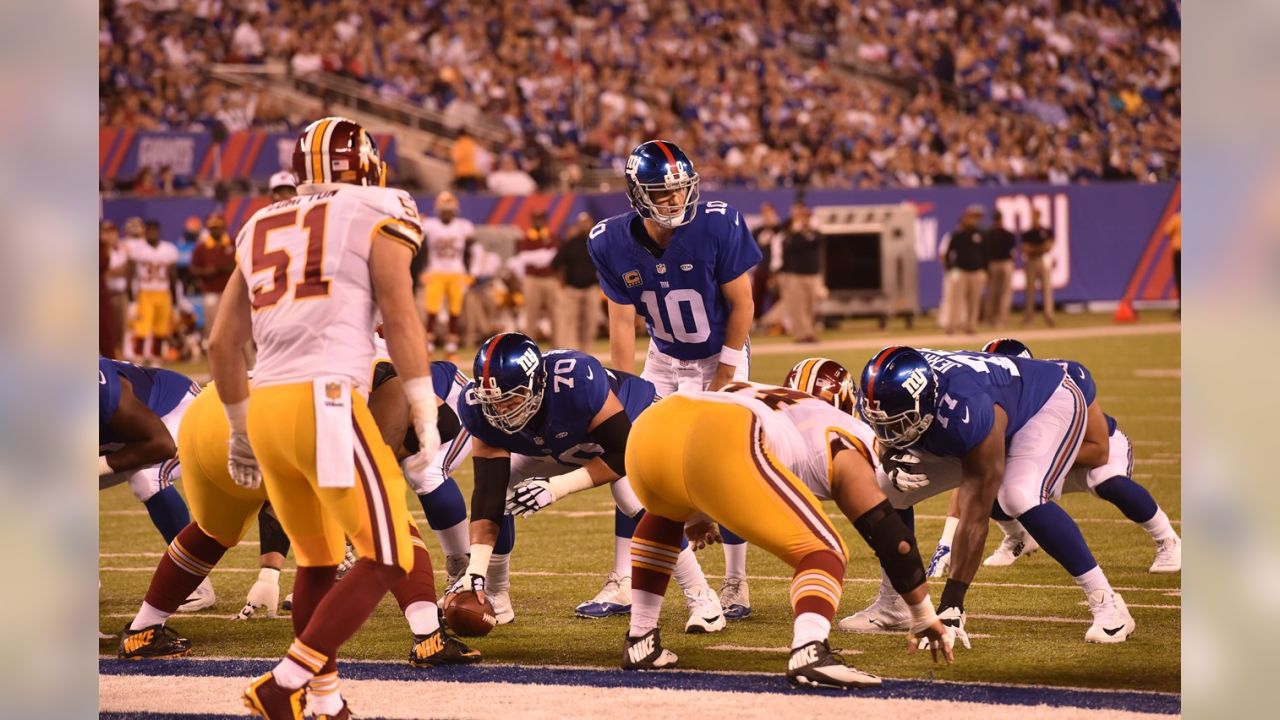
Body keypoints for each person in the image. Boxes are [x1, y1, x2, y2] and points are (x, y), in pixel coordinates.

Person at [207, 116, 442, 719]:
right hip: (328, 402)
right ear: (367, 168)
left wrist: (238, 430)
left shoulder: (259, 221)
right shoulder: (379, 205)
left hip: (267, 406)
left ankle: (325, 701)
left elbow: (221, 342)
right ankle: (282, 684)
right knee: (389, 553)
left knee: (314, 558)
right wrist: (423, 404)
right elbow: (399, 312)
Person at [117, 378, 480, 703]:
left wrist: (269, 572)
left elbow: (222, 344)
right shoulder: (379, 363)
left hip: (210, 414)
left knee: (212, 531)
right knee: (387, 529)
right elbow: (432, 417)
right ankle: (428, 636)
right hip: (295, 417)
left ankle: (142, 631)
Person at [620, 380, 954, 688]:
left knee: (663, 516)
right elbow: (890, 538)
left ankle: (641, 639)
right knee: (824, 550)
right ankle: (810, 649)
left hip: (652, 429)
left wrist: (697, 508)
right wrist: (923, 614)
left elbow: (691, 441)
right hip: (723, 434)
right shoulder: (850, 434)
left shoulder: (765, 396)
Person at [855, 346, 1136, 643]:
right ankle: (895, 603)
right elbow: (881, 433)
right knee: (886, 488)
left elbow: (975, 513)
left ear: (926, 404)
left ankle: (1108, 603)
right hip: (982, 406)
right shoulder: (886, 392)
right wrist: (887, 457)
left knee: (1018, 495)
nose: (890, 433)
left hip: (1048, 402)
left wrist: (952, 604)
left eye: (899, 424)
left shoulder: (967, 408)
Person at [588, 140, 762, 620]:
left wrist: (725, 375)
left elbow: (743, 305)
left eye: (681, 190)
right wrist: (622, 391)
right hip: (663, 358)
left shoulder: (717, 222)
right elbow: (621, 324)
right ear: (637, 194)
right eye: (663, 193)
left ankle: (736, 583)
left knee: (723, 461)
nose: (675, 201)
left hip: (718, 353)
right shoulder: (608, 241)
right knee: (631, 457)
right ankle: (623, 579)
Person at [451, 333, 725, 630]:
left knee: (632, 496)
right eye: (494, 401)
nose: (501, 411)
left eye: (510, 398)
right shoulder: (478, 409)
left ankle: (702, 598)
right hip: (563, 442)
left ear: (537, 384)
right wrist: (474, 569)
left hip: (634, 425)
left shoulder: (576, 381)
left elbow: (622, 451)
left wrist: (557, 488)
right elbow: (487, 494)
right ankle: (494, 593)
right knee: (502, 491)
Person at [99, 357, 215, 611]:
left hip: (176, 409)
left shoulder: (98, 384)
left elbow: (160, 445)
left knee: (147, 478)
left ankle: (193, 581)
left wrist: (98, 466)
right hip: (130, 433)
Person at [417, 191, 475, 359]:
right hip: (435, 271)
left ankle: (451, 348)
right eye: (444, 209)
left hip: (456, 272)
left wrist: (470, 273)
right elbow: (422, 249)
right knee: (432, 312)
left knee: (454, 313)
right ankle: (428, 346)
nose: (447, 212)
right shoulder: (430, 225)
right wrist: (423, 270)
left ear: (455, 210)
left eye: (449, 209)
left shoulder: (463, 226)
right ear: (438, 210)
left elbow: (471, 252)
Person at [125, 220, 180, 364]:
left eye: (154, 230)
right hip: (145, 293)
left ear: (159, 231)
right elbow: (129, 276)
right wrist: (131, 301)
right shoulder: (138, 250)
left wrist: (174, 302)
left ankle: (156, 360)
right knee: (141, 330)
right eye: (149, 231)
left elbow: (172, 276)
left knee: (161, 330)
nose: (152, 233)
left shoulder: (168, 249)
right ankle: (138, 360)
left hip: (163, 293)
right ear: (145, 232)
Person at [552, 212, 602, 351]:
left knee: (591, 322)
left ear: (591, 223)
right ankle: (571, 352)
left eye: (587, 222)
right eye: (583, 223)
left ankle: (586, 352)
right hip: (571, 290)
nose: (585, 225)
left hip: (591, 288)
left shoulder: (598, 243)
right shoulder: (570, 243)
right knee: (569, 322)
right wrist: (560, 283)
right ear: (579, 225)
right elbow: (556, 264)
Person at [510, 209, 560, 342]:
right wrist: (543, 256)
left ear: (545, 220)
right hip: (532, 280)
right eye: (536, 219)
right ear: (532, 221)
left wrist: (539, 258)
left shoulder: (553, 237)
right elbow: (524, 260)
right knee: (531, 314)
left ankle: (558, 347)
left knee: (555, 314)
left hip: (550, 279)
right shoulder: (524, 239)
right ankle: (530, 347)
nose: (538, 222)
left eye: (541, 219)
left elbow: (554, 259)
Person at [776, 201, 824, 343]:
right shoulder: (790, 232)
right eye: (802, 216)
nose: (805, 219)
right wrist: (796, 231)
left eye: (807, 216)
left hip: (813, 274)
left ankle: (809, 332)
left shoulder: (814, 233)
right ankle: (802, 334)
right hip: (796, 275)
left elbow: (818, 241)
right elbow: (790, 246)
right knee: (798, 306)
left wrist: (806, 231)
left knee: (811, 306)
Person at [188, 212, 236, 343]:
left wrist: (228, 268)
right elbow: (193, 269)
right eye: (213, 227)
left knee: (237, 327)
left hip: (232, 292)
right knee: (213, 328)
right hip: (211, 291)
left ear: (224, 226)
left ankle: (245, 361)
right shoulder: (201, 247)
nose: (215, 230)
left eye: (218, 226)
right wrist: (207, 271)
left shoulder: (233, 243)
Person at [941, 205, 987, 334]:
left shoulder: (979, 234)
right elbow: (947, 253)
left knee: (974, 301)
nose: (971, 221)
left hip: (976, 272)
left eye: (973, 218)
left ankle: (970, 326)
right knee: (956, 301)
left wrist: (984, 269)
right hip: (961, 271)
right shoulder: (957, 235)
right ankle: (951, 326)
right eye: (969, 218)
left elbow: (985, 253)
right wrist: (950, 269)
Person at [981, 209, 1016, 328]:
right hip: (1004, 263)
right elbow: (1013, 251)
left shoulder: (989, 234)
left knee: (992, 293)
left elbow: (985, 252)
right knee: (1002, 293)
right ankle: (1001, 320)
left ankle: (990, 319)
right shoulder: (1007, 234)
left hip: (993, 264)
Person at [1021, 210, 1055, 326]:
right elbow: (1025, 248)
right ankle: (1029, 318)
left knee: (1047, 289)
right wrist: (1039, 248)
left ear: (1039, 216)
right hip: (1031, 261)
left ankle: (1049, 316)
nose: (1033, 217)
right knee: (1030, 290)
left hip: (1043, 260)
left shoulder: (1045, 230)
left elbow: (1048, 246)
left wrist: (1034, 249)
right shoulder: (1028, 233)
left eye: (1035, 215)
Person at [1164, 210, 1181, 317]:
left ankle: (1182, 310)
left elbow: (1167, 232)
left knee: (1180, 281)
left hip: (1179, 252)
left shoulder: (1177, 218)